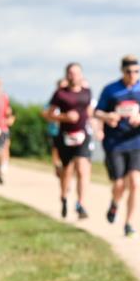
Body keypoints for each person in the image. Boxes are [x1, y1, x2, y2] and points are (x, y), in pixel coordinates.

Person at [94, 55, 140, 237]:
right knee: (120, 184)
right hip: (115, 143)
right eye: (129, 72)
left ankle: (129, 223)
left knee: (136, 183)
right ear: (122, 71)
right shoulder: (111, 90)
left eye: (136, 72)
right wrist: (108, 117)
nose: (133, 75)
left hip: (137, 142)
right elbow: (97, 112)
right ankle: (115, 203)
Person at [43, 64, 93, 219]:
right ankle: (64, 198)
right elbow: (48, 114)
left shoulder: (87, 92)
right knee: (67, 171)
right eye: (70, 73)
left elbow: (89, 112)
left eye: (76, 73)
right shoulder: (60, 94)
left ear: (81, 75)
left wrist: (96, 127)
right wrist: (64, 117)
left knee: (82, 169)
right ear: (67, 75)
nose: (73, 76)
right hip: (65, 137)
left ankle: (81, 204)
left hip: (83, 136)